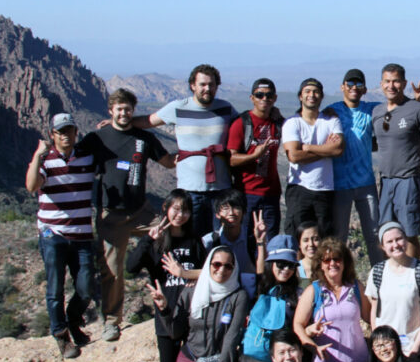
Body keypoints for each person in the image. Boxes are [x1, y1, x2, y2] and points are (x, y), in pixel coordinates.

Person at [83, 88, 175, 342]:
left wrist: (197, 152)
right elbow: (74, 160)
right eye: (119, 109)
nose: (123, 113)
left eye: (128, 109)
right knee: (111, 271)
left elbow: (167, 161)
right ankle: (112, 322)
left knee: (172, 235)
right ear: (110, 111)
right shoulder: (97, 138)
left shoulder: (143, 138)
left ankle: (176, 300)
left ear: (133, 111)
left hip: (141, 212)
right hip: (110, 215)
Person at [126, 189, 204, 362]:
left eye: (185, 209)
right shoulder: (158, 243)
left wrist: (184, 272)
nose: (179, 214)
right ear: (165, 209)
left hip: (193, 317)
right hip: (166, 315)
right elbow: (131, 267)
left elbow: (208, 274)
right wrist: (148, 241)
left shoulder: (195, 242)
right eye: (175, 208)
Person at [123, 64, 235, 237]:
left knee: (220, 240)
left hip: (221, 190)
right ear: (192, 85)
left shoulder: (225, 108)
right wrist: (119, 124)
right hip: (190, 190)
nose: (207, 89)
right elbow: (148, 121)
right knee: (193, 238)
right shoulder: (178, 107)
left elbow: (246, 124)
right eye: (203, 84)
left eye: (211, 85)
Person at [330, 69, 420, 266]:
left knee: (377, 235)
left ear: (365, 89)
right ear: (342, 87)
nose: (354, 88)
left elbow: (398, 111)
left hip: (366, 184)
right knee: (338, 237)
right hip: (339, 185)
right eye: (350, 84)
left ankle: (380, 281)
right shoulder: (331, 111)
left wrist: (415, 102)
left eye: (358, 84)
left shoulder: (372, 109)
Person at [25, 113, 96, 359]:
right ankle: (61, 335)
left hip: (82, 234)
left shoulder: (88, 157)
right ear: (52, 135)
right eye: (60, 132)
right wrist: (37, 155)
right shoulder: (46, 160)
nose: (66, 135)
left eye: (70, 131)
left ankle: (73, 321)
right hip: (52, 234)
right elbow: (32, 186)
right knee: (55, 290)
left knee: (86, 287)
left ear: (76, 132)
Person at [293, 237, 373, 362]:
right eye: (327, 260)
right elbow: (298, 325)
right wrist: (310, 341)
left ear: (345, 262)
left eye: (337, 259)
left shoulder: (355, 287)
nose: (332, 264)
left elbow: (370, 317)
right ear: (320, 264)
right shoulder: (314, 291)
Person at [372, 63, 420, 261]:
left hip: (408, 180)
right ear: (381, 84)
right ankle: (391, 280)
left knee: (409, 234)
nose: (391, 85)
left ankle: (413, 280)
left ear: (404, 83)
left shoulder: (418, 110)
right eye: (387, 81)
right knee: (386, 234)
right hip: (385, 181)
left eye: (396, 81)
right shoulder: (377, 112)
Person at [282, 78, 344, 237]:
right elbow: (294, 156)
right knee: (297, 236)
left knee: (324, 239)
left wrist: (308, 148)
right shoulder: (292, 123)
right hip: (299, 188)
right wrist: (325, 150)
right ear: (300, 96)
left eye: (316, 92)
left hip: (325, 189)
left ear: (322, 96)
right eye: (307, 91)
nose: (312, 95)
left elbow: (338, 150)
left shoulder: (331, 120)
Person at [367, 222, 420, 357]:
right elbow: (374, 311)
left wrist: (416, 346)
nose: (395, 245)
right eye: (389, 241)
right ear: (383, 246)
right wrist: (379, 341)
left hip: (413, 344)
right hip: (385, 346)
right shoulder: (377, 272)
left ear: (405, 239)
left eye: (399, 239)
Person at [228, 77, 284, 239]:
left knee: (269, 243)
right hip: (246, 194)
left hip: (271, 195)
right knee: (245, 242)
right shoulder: (242, 123)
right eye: (259, 95)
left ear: (275, 98)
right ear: (252, 98)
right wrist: (254, 155)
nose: (264, 99)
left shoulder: (278, 123)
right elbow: (231, 159)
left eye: (269, 95)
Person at [201, 189, 267, 300]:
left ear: (244, 212)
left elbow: (263, 272)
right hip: (218, 293)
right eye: (225, 208)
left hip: (249, 294)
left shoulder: (253, 237)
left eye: (236, 207)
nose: (231, 213)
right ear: (217, 214)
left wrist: (261, 242)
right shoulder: (209, 242)